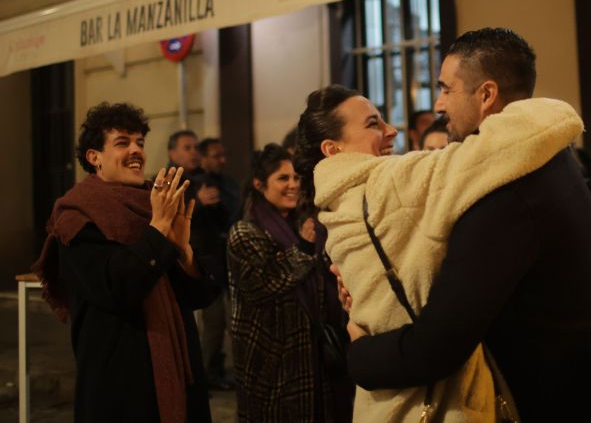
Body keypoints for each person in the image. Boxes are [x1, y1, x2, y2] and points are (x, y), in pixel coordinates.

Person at [338, 28, 591, 421]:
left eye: (446, 89)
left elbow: (437, 347)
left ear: (486, 95)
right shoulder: (546, 156)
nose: (438, 104)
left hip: (562, 403)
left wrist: (360, 352)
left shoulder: (508, 189)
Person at [300, 83, 582, 422]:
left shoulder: (333, 204)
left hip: (381, 400)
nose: (391, 131)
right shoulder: (390, 184)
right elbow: (538, 128)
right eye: (373, 124)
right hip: (438, 402)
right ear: (333, 148)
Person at [32, 102, 217, 423]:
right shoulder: (77, 217)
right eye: (122, 143)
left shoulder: (156, 204)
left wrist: (184, 251)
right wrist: (158, 230)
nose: (136, 151)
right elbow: (116, 289)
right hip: (121, 380)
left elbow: (200, 296)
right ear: (94, 157)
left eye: (140, 142)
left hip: (179, 366)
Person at [228, 144, 352, 423]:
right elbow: (263, 284)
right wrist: (304, 249)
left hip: (314, 354)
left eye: (296, 177)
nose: (293, 185)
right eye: (283, 178)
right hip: (273, 359)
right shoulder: (245, 232)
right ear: (259, 184)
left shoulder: (304, 224)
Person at [193, 137, 242, 390]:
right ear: (202, 158)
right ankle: (207, 374)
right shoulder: (194, 184)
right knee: (213, 323)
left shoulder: (229, 184)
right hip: (208, 264)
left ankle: (222, 371)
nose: (222, 160)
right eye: (215, 155)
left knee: (233, 322)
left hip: (229, 261)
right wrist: (199, 202)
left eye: (223, 155)